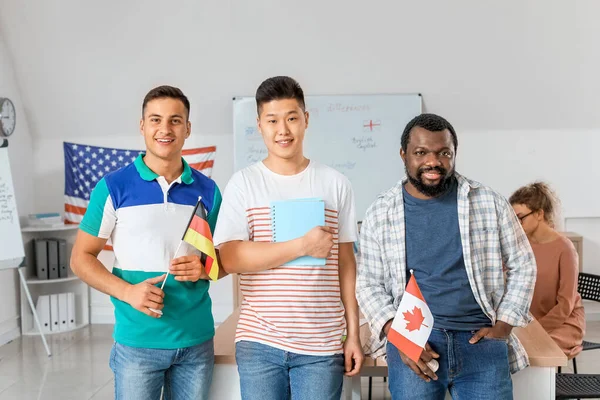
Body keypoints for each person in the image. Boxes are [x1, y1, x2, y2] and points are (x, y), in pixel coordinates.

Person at [356, 113, 537, 400]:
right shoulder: (380, 212)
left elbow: (523, 264)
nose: (434, 161)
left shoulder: (488, 202)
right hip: (416, 341)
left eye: (444, 153)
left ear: (454, 154)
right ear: (403, 155)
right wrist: (399, 335)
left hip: (481, 339)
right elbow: (368, 283)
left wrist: (504, 324)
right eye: (421, 152)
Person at [214, 76, 363, 400]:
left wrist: (353, 333)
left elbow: (346, 265)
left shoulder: (335, 184)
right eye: (272, 121)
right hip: (259, 342)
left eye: (292, 118)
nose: (283, 130)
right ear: (259, 125)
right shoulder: (244, 184)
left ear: (305, 119)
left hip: (322, 345)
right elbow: (230, 258)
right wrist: (302, 245)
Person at [70, 85, 223, 400]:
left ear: (188, 128)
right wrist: (128, 291)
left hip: (197, 342)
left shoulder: (209, 191)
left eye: (175, 120)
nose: (165, 129)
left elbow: (220, 259)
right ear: (142, 126)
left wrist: (206, 268)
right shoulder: (113, 187)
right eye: (155, 120)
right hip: (137, 344)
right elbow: (80, 258)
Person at [510, 182, 585, 359]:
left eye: (520, 217)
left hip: (563, 322)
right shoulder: (521, 245)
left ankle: (544, 386)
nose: (516, 224)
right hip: (529, 321)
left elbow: (565, 305)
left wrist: (534, 330)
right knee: (509, 347)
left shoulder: (565, 249)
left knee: (533, 348)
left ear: (538, 214)